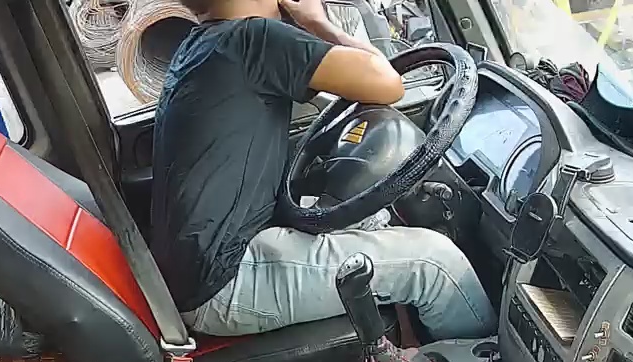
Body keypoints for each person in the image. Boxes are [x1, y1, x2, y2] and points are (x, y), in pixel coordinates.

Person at [148, 0, 497, 339]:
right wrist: (317, 22)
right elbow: (388, 83)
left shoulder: (200, 46)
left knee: (373, 218)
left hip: (199, 269)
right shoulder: (254, 39)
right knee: (434, 262)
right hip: (225, 282)